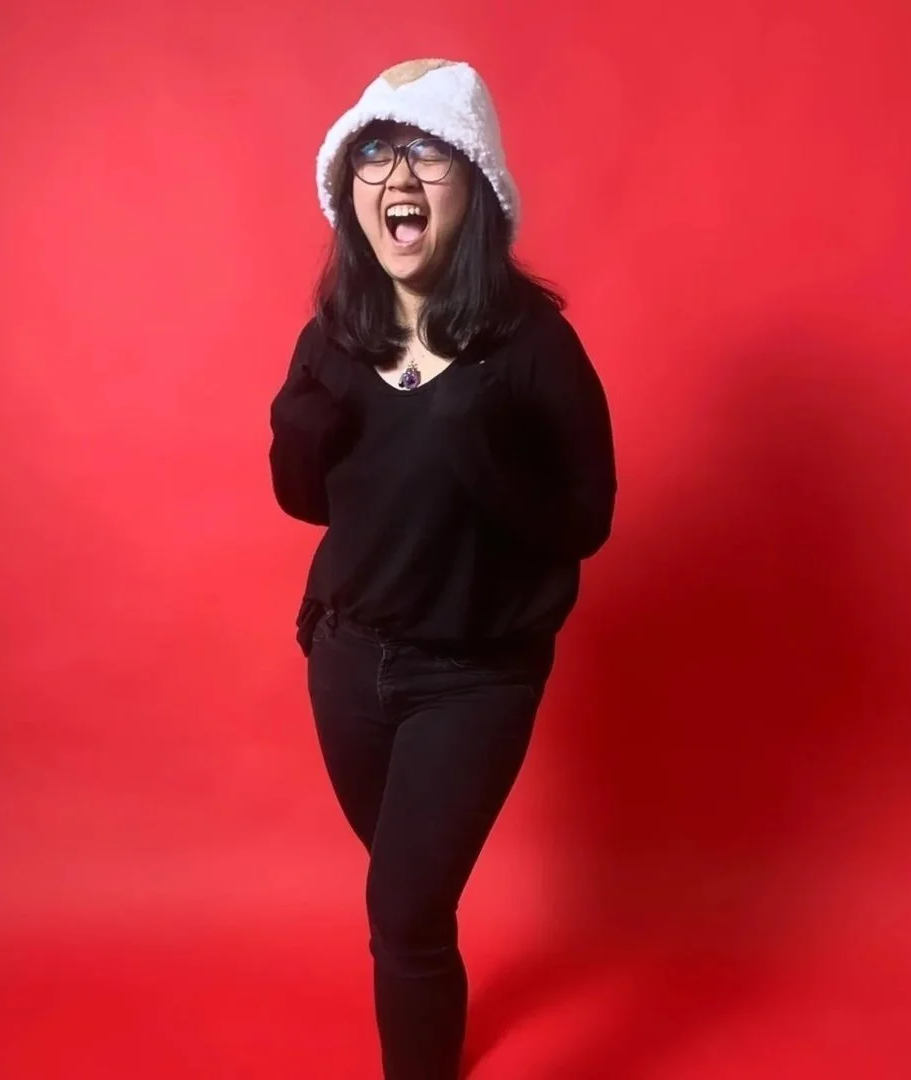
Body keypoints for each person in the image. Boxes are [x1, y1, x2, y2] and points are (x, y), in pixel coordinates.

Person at [268, 58, 616, 1080]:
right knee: (409, 902)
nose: (398, 176)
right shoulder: (334, 336)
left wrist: (487, 462)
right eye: (376, 152)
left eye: (427, 150)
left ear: (477, 181)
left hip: (474, 678)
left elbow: (586, 522)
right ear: (351, 190)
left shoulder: (533, 346)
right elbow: (309, 502)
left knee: (404, 907)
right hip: (346, 658)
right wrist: (295, 433)